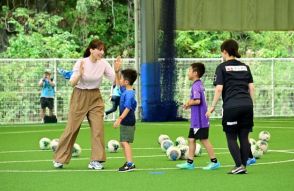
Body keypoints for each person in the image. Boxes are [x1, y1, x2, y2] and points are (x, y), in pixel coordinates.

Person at [53, 39, 119, 170]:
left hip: (96, 98)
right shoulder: (81, 62)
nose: (102, 52)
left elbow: (115, 82)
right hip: (79, 96)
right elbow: (72, 83)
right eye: (99, 49)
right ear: (91, 50)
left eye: (103, 49)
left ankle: (96, 160)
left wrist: (117, 71)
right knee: (72, 129)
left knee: (98, 129)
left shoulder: (104, 64)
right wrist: (80, 74)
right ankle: (59, 159)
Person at [206, 39, 255, 174]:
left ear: (225, 52)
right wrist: (251, 104)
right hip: (247, 105)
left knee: (231, 136)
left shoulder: (222, 67)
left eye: (222, 52)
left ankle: (238, 165)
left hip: (231, 106)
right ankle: (243, 166)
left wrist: (212, 106)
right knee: (244, 137)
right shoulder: (245, 67)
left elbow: (219, 89)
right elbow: (251, 87)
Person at [176, 63, 221, 170]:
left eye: (189, 70)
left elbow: (197, 100)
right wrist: (189, 104)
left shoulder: (196, 85)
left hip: (200, 120)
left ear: (195, 73)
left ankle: (214, 162)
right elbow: (197, 101)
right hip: (196, 119)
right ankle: (190, 163)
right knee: (191, 139)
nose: (188, 72)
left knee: (204, 139)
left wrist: (188, 103)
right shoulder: (198, 84)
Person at [113, 62, 138, 172]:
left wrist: (119, 119)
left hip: (128, 121)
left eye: (122, 78)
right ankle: (128, 162)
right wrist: (117, 72)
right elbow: (119, 84)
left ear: (126, 82)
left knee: (124, 142)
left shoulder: (129, 94)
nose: (120, 80)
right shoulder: (126, 90)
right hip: (126, 121)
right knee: (123, 142)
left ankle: (130, 163)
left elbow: (128, 108)